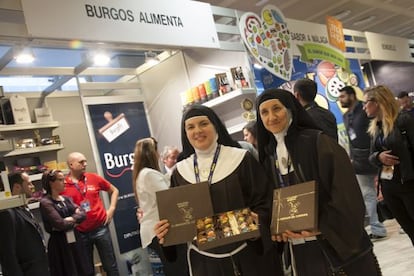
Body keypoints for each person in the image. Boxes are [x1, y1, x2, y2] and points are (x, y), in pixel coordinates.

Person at [256, 88, 381, 275]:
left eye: (277, 109)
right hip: (301, 249)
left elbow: (346, 194)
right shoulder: (268, 155)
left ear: (290, 109)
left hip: (336, 245)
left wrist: (321, 226)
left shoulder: (318, 142)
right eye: (264, 112)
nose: (271, 117)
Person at [154, 104, 283, 276]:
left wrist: (258, 220)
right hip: (204, 263)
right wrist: (165, 233)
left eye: (203, 124)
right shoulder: (180, 172)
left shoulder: (241, 159)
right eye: (190, 127)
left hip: (247, 257)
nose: (197, 131)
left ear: (216, 126)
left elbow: (266, 203)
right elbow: (178, 223)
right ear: (186, 134)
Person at [364, 85, 414, 245]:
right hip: (390, 187)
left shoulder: (403, 120)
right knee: (409, 230)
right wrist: (379, 156)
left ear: (377, 102)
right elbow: (371, 157)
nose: (364, 107)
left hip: (409, 184)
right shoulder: (376, 128)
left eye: (366, 103)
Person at [132, 137, 189, 276]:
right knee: (177, 269)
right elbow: (169, 197)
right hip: (159, 231)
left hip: (154, 230)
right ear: (153, 153)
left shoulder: (143, 174)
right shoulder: (149, 174)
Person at [338, 86, 387, 241]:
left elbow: (379, 128)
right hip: (359, 160)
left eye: (343, 96)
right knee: (368, 194)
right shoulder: (346, 116)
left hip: (377, 155)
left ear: (352, 96)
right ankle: (377, 228)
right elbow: (351, 140)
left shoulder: (365, 110)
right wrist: (351, 157)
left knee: (391, 189)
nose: (341, 99)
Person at [62, 152, 120, 276]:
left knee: (110, 266)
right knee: (86, 270)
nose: (85, 164)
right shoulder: (64, 185)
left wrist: (111, 209)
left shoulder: (93, 178)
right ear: (71, 165)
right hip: (80, 232)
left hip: (100, 228)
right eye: (81, 162)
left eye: (85, 161)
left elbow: (114, 190)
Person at [40, 169, 94, 276]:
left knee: (83, 270)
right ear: (51, 183)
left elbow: (83, 214)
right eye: (60, 180)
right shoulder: (46, 202)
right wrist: (74, 220)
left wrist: (70, 219)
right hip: (60, 244)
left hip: (75, 240)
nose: (64, 182)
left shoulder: (66, 199)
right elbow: (60, 224)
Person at [0, 172, 50, 276]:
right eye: (29, 184)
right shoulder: (7, 214)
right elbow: (8, 254)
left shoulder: (24, 208)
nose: (33, 187)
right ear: (17, 186)